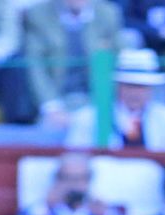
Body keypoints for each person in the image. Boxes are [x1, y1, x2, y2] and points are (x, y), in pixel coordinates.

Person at [25, 0, 125, 129]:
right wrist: (52, 107)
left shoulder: (108, 13)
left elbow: (119, 62)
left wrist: (104, 104)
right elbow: (35, 66)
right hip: (57, 102)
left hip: (98, 100)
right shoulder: (38, 14)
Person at [66, 49, 165, 151]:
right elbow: (75, 156)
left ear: (151, 89)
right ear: (118, 86)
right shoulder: (88, 117)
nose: (135, 93)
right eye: (129, 86)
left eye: (141, 87)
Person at [23, 151, 133, 215]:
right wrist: (44, 206)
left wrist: (106, 214)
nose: (74, 184)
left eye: (80, 179)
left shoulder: (100, 210)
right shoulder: (44, 209)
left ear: (89, 180)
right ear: (58, 179)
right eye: (67, 178)